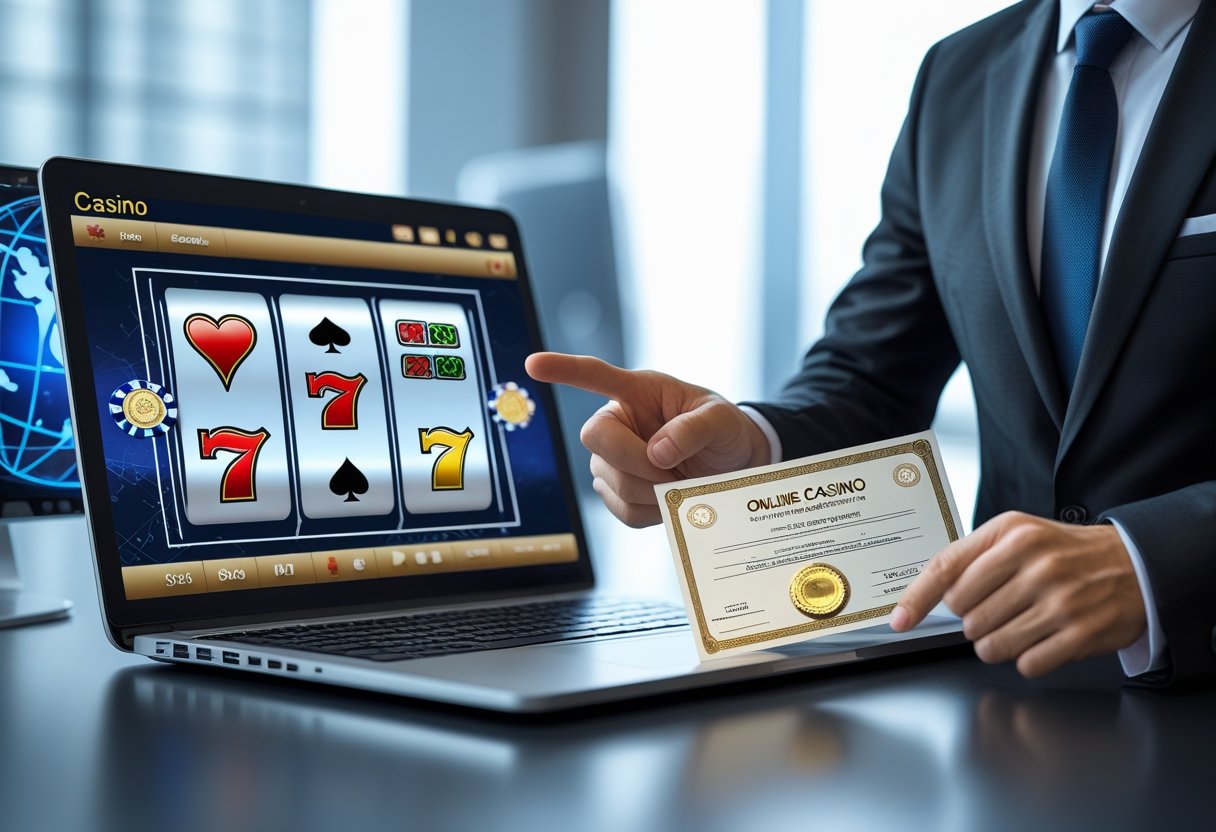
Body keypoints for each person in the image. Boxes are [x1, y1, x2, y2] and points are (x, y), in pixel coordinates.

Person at [527, 0, 1216, 685]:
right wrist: (748, 447)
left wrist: (1151, 559)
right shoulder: (960, 72)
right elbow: (874, 373)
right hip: (1001, 684)